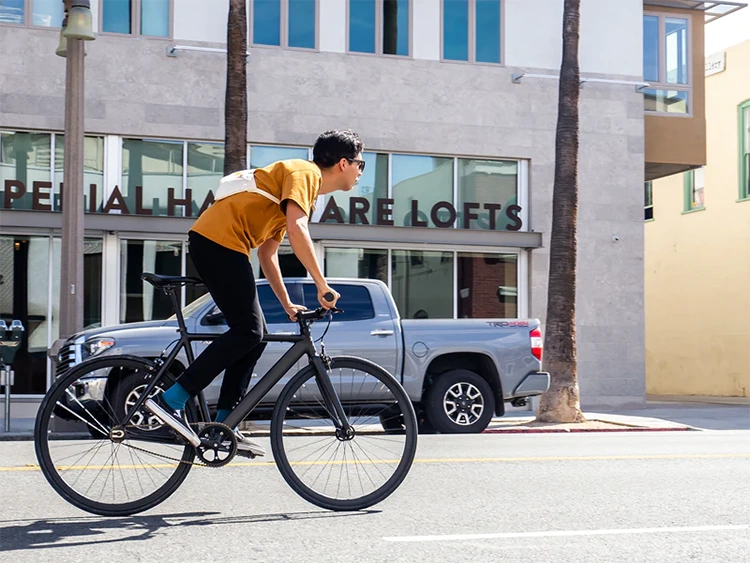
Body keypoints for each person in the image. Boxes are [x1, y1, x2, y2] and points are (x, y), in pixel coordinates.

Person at [146, 129, 365, 456]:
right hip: (219, 243)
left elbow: (267, 253)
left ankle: (225, 426)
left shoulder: (303, 188)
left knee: (254, 335)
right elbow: (297, 228)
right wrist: (322, 284)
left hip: (222, 245)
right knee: (247, 330)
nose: (361, 173)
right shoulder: (304, 174)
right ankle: (170, 400)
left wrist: (287, 303)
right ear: (344, 163)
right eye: (361, 164)